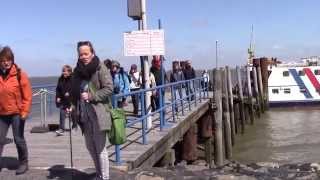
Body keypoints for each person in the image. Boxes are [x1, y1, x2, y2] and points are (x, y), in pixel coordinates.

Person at [70, 41, 113, 180]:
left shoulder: (100, 68)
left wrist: (91, 96)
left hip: (98, 114)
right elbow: (74, 91)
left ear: (92, 53)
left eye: (86, 53)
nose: (83, 56)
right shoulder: (77, 71)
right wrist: (71, 105)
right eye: (80, 54)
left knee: (100, 148)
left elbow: (109, 88)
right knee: (90, 147)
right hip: (84, 114)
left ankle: (104, 177)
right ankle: (99, 174)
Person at [0, 46, 32, 175]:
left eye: (8, 60)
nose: (5, 62)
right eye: (2, 60)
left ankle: (23, 163)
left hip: (17, 113)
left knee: (18, 139)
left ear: (12, 60)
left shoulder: (20, 75)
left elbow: (27, 96)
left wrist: (24, 112)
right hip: (2, 114)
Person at [55, 65, 73, 136]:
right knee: (62, 113)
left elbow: (75, 88)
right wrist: (58, 97)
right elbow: (58, 89)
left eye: (65, 72)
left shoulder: (73, 79)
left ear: (69, 72)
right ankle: (61, 129)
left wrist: (69, 92)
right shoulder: (60, 79)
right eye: (63, 71)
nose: (63, 73)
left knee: (73, 114)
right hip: (63, 99)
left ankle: (75, 125)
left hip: (71, 100)